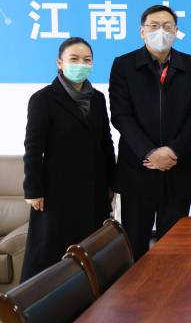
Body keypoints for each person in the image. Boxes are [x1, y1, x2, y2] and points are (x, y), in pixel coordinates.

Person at [109, 4, 191, 260]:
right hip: (138, 169)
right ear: (142, 31)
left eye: (167, 26)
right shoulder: (124, 65)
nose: (160, 31)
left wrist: (173, 150)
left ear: (176, 31)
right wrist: (150, 152)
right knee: (134, 246)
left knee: (174, 250)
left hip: (178, 167)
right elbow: (120, 115)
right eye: (154, 26)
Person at [22, 37, 115, 281]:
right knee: (51, 256)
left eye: (87, 59)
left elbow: (106, 142)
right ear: (60, 63)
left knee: (91, 254)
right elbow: (33, 148)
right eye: (74, 59)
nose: (80, 64)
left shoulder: (97, 98)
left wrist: (111, 183)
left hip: (94, 190)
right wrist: (33, 189)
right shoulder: (43, 99)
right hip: (57, 192)